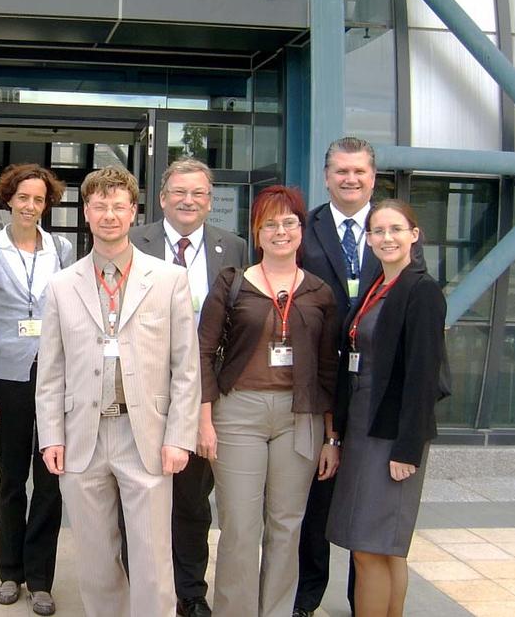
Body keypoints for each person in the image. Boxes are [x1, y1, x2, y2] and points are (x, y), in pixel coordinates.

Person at [36, 166, 200, 617]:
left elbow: (185, 367)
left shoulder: (167, 280)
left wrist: (179, 437)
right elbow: (51, 371)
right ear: (86, 212)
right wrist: (51, 435)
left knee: (152, 559)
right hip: (82, 437)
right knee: (94, 560)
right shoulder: (63, 285)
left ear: (134, 212)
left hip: (143, 434)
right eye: (100, 205)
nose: (109, 214)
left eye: (118, 206)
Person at [198, 185, 340, 617]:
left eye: (289, 222)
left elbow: (328, 369)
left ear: (301, 230)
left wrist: (331, 437)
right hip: (238, 411)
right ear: (257, 232)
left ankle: (276, 611)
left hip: (301, 418)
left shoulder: (319, 292)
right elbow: (202, 352)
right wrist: (204, 421)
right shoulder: (233, 282)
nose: (281, 231)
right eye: (270, 224)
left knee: (286, 525)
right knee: (240, 526)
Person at [129, 157, 248, 617]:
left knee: (193, 500)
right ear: (162, 199)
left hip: (203, 390)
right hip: (143, 385)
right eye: (179, 192)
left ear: (210, 201)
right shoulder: (134, 241)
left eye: (198, 194)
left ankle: (190, 593)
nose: (188, 201)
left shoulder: (233, 248)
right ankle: (142, 587)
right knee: (139, 493)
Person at [326, 200, 446, 617]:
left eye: (396, 229)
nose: (386, 238)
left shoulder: (422, 290)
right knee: (388, 548)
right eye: (377, 231)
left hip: (391, 433)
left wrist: (407, 449)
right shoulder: (379, 286)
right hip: (362, 425)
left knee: (369, 549)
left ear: (414, 234)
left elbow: (423, 376)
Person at [0, 164, 73, 616]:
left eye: (39, 199)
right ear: (8, 199)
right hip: (8, 377)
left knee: (51, 479)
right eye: (22, 197)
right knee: (12, 478)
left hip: (54, 375)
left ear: (47, 203)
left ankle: (42, 577)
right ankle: (9, 571)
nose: (30, 206)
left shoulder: (63, 249)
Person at [296, 136, 383, 617]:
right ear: (326, 176)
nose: (351, 179)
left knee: (366, 499)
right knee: (315, 497)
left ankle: (361, 601)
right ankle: (306, 599)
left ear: (373, 176)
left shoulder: (393, 228)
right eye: (341, 171)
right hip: (318, 378)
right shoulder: (304, 230)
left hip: (373, 383)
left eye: (360, 172)